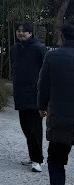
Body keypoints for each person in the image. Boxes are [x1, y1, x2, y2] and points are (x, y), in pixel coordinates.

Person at [38, 21, 74, 185]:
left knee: (56, 160)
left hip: (60, 117)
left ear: (62, 36)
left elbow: (43, 86)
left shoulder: (52, 56)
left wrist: (41, 106)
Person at [10, 22, 47, 173]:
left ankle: (38, 160)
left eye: (24, 31)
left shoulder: (39, 48)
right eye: (18, 30)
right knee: (26, 127)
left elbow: (47, 71)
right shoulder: (15, 49)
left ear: (30, 33)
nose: (21, 33)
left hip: (35, 94)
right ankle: (34, 157)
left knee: (34, 128)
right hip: (20, 92)